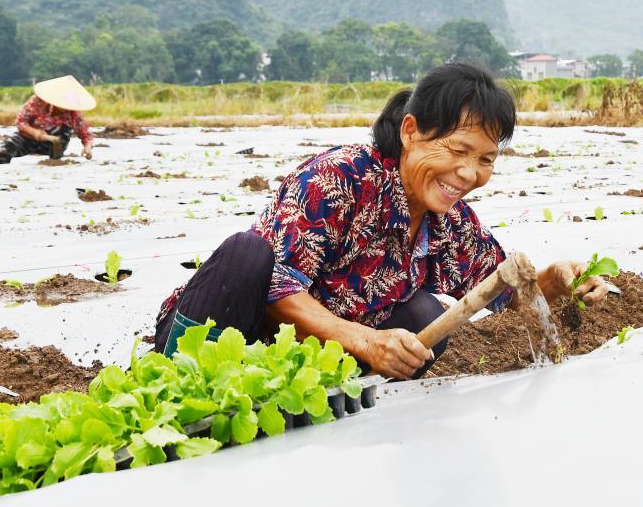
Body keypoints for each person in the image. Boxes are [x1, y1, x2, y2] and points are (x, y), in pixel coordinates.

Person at [153, 62, 611, 379]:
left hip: (305, 362)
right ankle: (173, 375)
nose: (470, 174)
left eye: (486, 160)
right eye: (457, 151)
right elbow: (278, 288)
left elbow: (500, 290)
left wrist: (556, 279)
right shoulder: (339, 179)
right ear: (411, 132)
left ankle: (328, 389)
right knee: (246, 253)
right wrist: (367, 342)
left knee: (426, 317)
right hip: (225, 332)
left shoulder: (449, 222)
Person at [0, 75, 96, 164]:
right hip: (28, 138)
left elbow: (86, 135)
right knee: (2, 151)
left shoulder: (73, 113)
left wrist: (87, 148)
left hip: (53, 144)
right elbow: (21, 122)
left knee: (63, 131)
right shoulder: (37, 101)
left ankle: (54, 162)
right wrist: (36, 133)